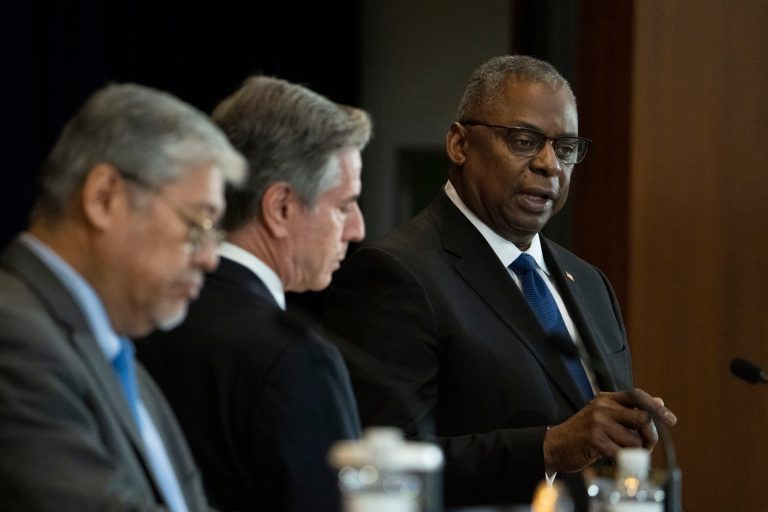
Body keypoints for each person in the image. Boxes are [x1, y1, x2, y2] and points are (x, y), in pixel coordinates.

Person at [320, 55, 677, 509]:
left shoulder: (590, 284)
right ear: (459, 143)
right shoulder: (396, 274)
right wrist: (547, 447)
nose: (549, 165)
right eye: (524, 141)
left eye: (565, 148)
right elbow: (384, 469)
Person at [0, 83, 246, 511]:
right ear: (104, 198)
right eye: (198, 225)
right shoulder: (14, 334)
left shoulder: (118, 355)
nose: (210, 259)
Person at [136, 75, 371, 512]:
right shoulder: (296, 356)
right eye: (343, 206)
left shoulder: (142, 313)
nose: (357, 229)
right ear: (280, 208)